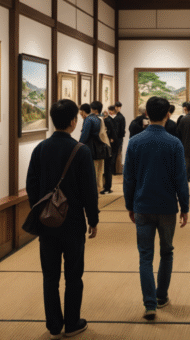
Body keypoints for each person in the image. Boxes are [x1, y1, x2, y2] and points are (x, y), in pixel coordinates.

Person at [26, 99, 99, 339]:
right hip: (73, 222)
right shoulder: (81, 151)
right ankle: (72, 322)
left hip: (47, 223)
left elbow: (31, 185)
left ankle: (54, 325)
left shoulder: (40, 149)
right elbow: (89, 190)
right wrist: (93, 219)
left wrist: (40, 210)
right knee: (73, 274)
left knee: (50, 276)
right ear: (73, 121)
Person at [123, 96, 190, 321]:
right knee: (166, 252)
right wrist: (185, 206)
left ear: (147, 114)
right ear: (168, 114)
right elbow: (181, 179)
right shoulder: (174, 143)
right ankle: (161, 296)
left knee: (145, 256)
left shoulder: (135, 142)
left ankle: (149, 304)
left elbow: (129, 178)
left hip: (142, 205)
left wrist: (129, 204)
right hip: (167, 206)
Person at [79, 102, 104, 192]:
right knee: (99, 171)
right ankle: (99, 188)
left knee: (92, 171)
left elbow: (84, 136)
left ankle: (92, 191)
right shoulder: (98, 118)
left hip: (91, 148)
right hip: (100, 147)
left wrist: (79, 146)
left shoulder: (88, 120)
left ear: (83, 111)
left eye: (80, 112)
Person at [101, 105, 118, 195]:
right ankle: (107, 187)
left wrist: (111, 139)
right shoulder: (109, 120)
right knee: (108, 167)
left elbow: (112, 133)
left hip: (109, 147)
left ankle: (107, 187)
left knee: (107, 168)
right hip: (111, 146)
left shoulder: (107, 121)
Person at [113, 101, 126, 172]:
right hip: (118, 137)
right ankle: (116, 170)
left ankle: (117, 170)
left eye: (118, 107)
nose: (117, 108)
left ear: (120, 108)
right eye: (116, 107)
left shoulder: (120, 117)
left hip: (118, 138)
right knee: (116, 153)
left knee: (117, 153)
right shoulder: (118, 116)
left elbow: (121, 129)